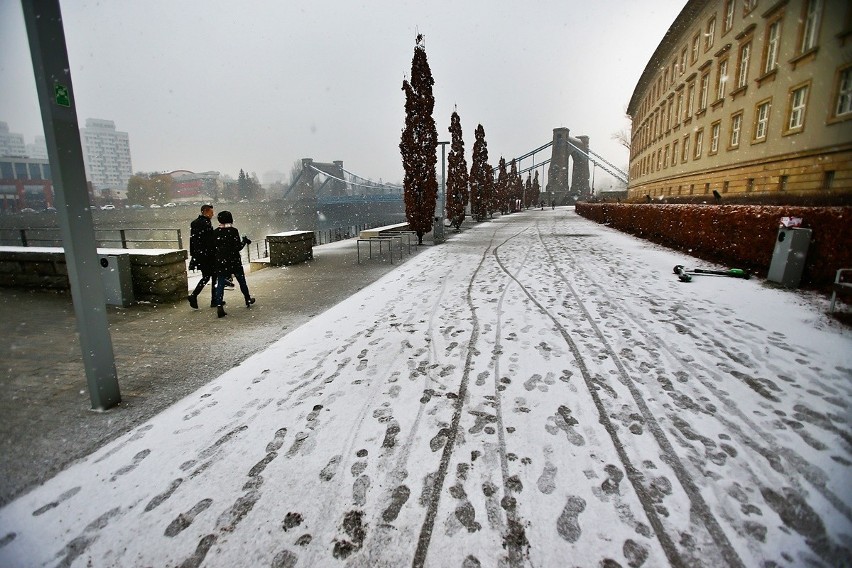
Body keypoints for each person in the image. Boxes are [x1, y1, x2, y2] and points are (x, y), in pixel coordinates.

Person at [212, 210, 255, 318]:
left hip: (221, 261)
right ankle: (247, 298)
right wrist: (244, 241)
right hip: (234, 260)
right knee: (241, 281)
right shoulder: (233, 231)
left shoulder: (215, 232)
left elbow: (213, 248)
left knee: (220, 283)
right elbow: (238, 247)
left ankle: (219, 305)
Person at [187, 204, 216, 309]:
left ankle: (194, 296)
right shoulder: (206, 224)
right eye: (211, 212)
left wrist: (194, 255)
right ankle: (214, 300)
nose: (213, 214)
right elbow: (209, 241)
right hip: (208, 255)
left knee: (206, 277)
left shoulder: (194, 223)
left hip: (200, 255)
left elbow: (193, 240)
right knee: (213, 276)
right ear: (205, 211)